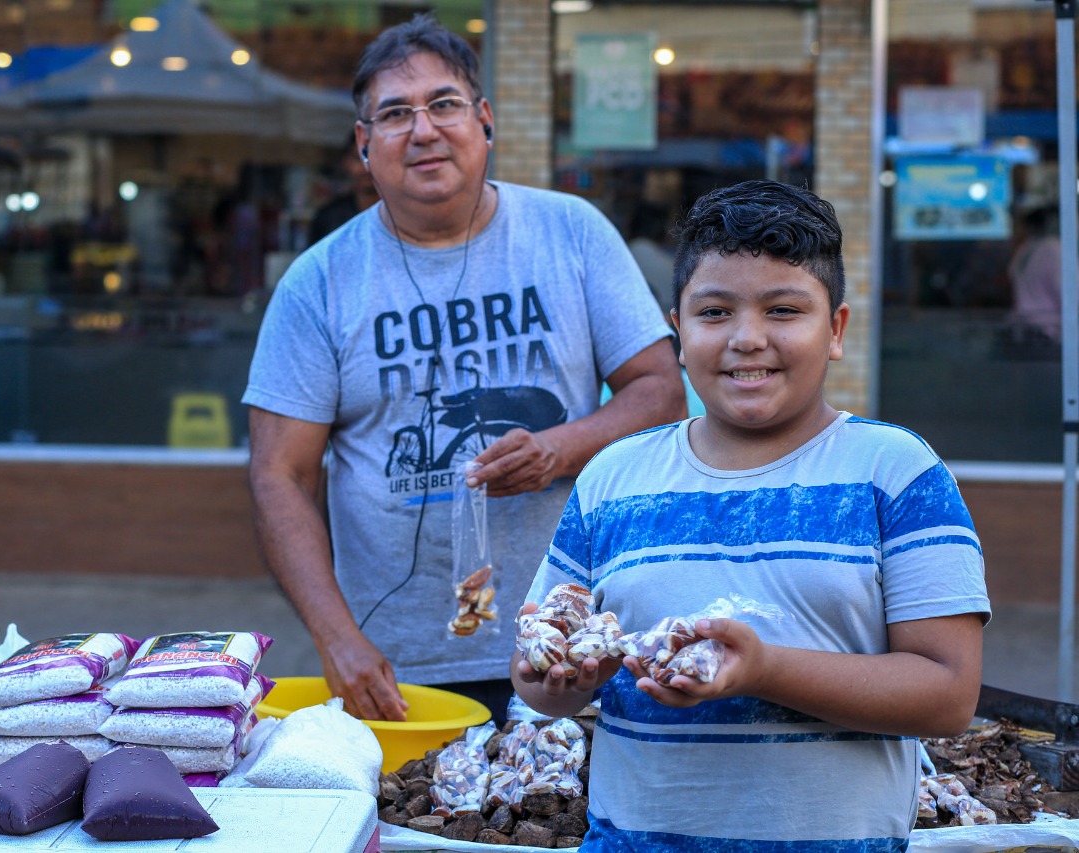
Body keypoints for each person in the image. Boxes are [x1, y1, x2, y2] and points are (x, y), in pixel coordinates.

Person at [511, 180, 989, 850]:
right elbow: (544, 674)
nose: (747, 338)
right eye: (714, 312)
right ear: (677, 331)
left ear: (837, 330)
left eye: (784, 309)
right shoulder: (611, 478)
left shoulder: (896, 472)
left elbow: (947, 693)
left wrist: (765, 669)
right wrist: (554, 678)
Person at [243, 13, 686, 725]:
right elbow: (280, 475)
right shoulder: (318, 281)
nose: (423, 130)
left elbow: (661, 391)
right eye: (393, 114)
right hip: (395, 669)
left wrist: (554, 450)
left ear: (483, 121)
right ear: (364, 144)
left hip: (574, 650)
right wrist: (337, 639)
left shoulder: (571, 233)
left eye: (444, 104)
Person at [306, 132, 379, 246]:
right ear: (346, 162)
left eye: (374, 157)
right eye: (358, 159)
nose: (366, 168)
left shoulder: (404, 215)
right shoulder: (329, 217)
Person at [1006, 205, 1063, 346]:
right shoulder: (1053, 249)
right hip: (1047, 331)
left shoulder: (1026, 248)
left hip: (1023, 328)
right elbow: (1067, 293)